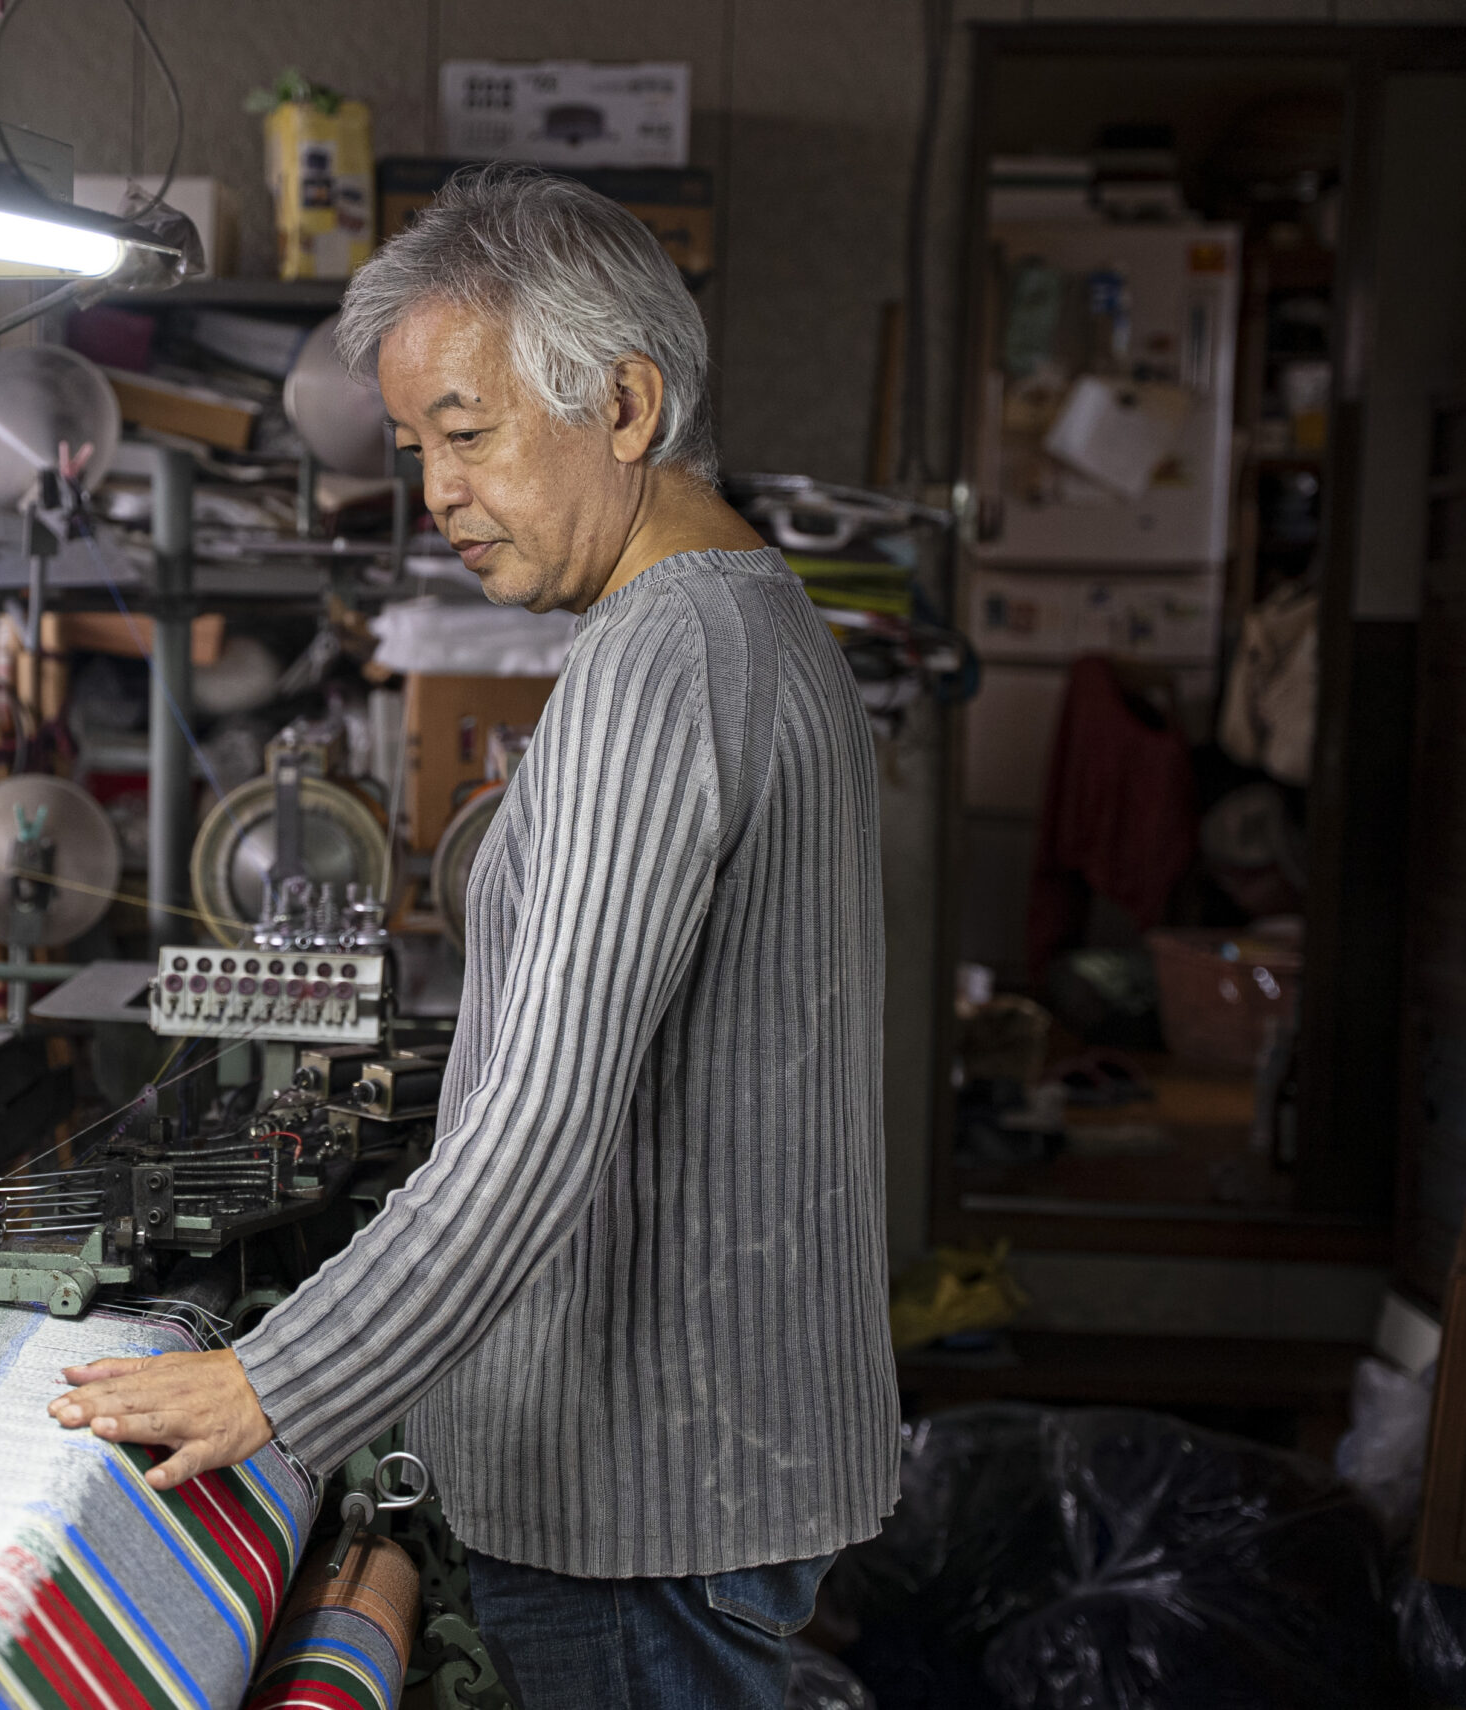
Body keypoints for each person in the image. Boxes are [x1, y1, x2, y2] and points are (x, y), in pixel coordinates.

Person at [49, 163, 897, 1709]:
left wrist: (269, 1382)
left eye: (468, 431)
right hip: (694, 1462)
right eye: (414, 447)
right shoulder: (739, 625)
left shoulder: (667, 662)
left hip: (644, 1494)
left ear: (625, 405)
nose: (437, 490)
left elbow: (534, 1131)